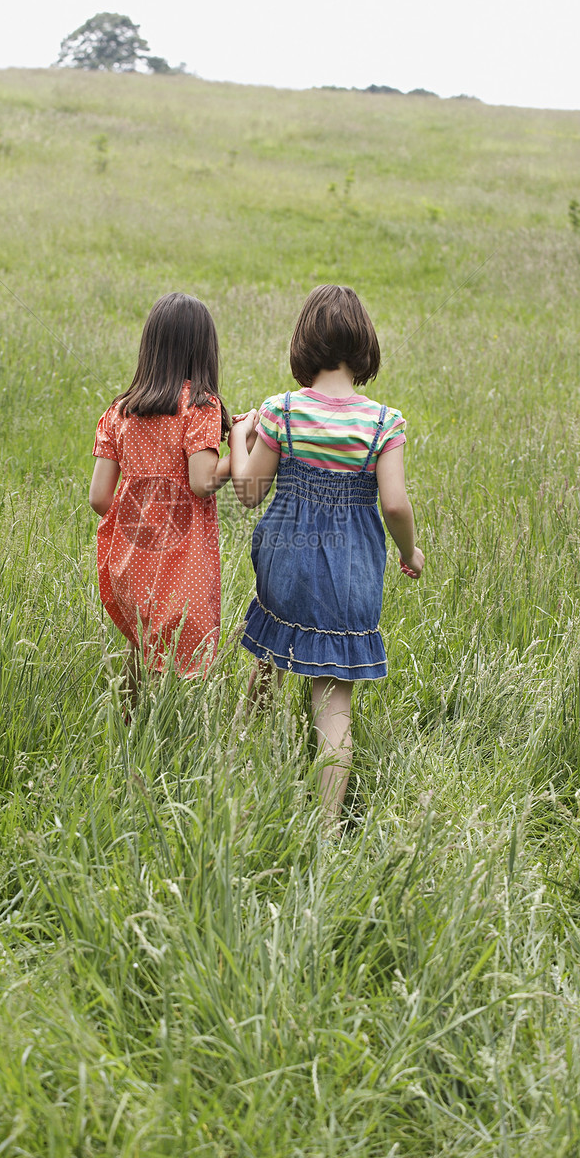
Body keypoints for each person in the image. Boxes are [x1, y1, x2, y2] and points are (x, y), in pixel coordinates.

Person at [229, 284, 424, 828]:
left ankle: (238, 758)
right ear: (364, 347)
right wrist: (411, 551)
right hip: (351, 572)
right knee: (333, 700)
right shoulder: (384, 423)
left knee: (272, 643)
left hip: (283, 565)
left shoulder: (281, 412)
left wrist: (242, 433)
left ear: (303, 346)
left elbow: (248, 492)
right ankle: (325, 827)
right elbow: (395, 502)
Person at [89, 292, 232, 694]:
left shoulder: (120, 411)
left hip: (131, 555)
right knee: (184, 666)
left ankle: (130, 731)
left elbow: (99, 498)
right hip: (182, 562)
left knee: (143, 644)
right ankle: (174, 742)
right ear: (204, 351)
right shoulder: (199, 408)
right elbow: (202, 481)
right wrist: (238, 451)